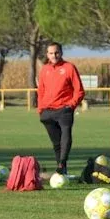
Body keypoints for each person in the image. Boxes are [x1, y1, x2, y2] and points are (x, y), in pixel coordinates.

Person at [37, 42, 85, 175]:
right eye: (51, 53)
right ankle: (61, 170)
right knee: (56, 143)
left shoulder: (69, 68)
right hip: (47, 112)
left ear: (61, 52)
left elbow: (79, 90)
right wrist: (40, 109)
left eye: (56, 52)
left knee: (65, 137)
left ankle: (62, 162)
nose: (54, 55)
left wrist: (71, 105)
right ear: (47, 54)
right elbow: (41, 90)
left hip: (64, 110)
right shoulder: (44, 69)